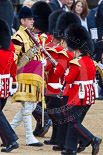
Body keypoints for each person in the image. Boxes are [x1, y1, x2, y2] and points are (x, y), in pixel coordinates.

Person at [61, 24, 102, 155]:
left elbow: (69, 79)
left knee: (73, 122)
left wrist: (66, 72)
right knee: (74, 121)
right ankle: (70, 148)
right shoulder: (90, 61)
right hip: (88, 96)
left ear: (77, 48)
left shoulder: (76, 62)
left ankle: (91, 139)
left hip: (77, 96)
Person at [10, 6, 43, 147]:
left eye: (32, 19)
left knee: (30, 105)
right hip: (25, 75)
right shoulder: (18, 36)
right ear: (22, 20)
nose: (32, 21)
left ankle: (9, 130)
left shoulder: (30, 35)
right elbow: (15, 60)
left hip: (35, 74)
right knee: (29, 106)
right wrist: (33, 52)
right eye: (29, 19)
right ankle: (29, 137)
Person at [31, 1, 52, 137]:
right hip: (42, 74)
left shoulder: (39, 38)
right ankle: (41, 125)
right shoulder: (46, 37)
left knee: (28, 98)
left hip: (37, 72)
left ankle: (43, 119)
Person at [0, 18, 19, 153]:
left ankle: (11, 140)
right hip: (5, 87)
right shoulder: (10, 53)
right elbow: (13, 71)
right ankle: (10, 135)